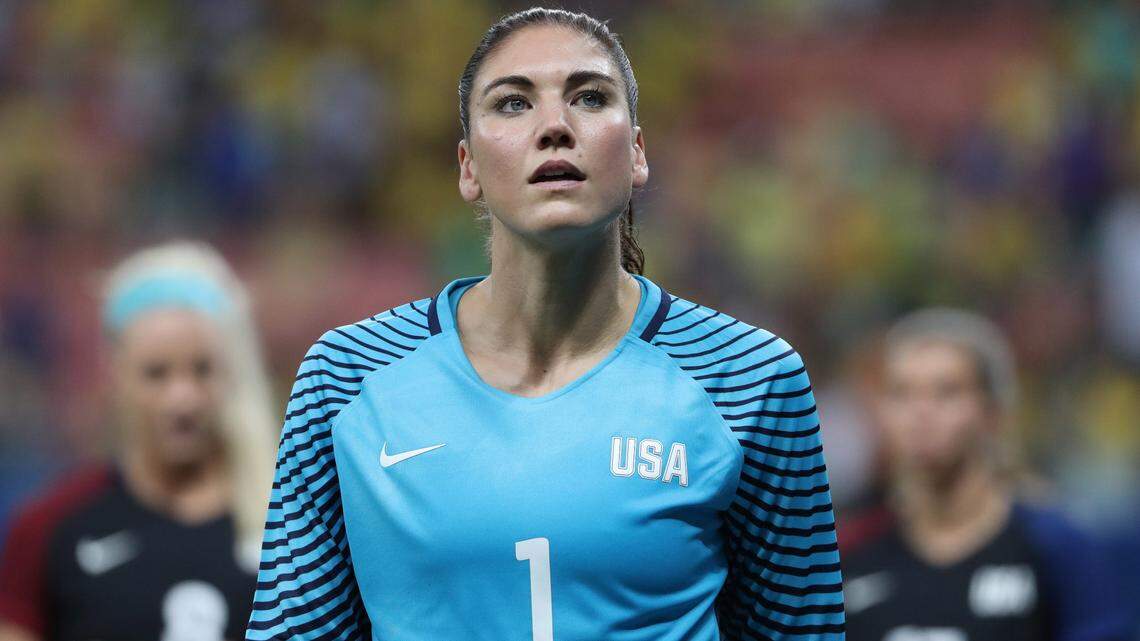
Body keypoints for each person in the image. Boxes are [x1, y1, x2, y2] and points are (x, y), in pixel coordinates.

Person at [246, 8, 844, 641]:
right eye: (512, 104)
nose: (555, 127)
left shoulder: (751, 378)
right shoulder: (345, 378)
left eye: (589, 98)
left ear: (637, 153)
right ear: (468, 167)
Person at [0, 242, 279, 641]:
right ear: (114, 372)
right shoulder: (50, 528)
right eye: (156, 374)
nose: (182, 399)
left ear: (232, 373)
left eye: (202, 370)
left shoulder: (292, 528)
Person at [841, 309, 1132, 641]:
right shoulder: (851, 551)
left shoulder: (1054, 547)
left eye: (946, 392)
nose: (920, 413)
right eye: (901, 394)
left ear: (994, 412)